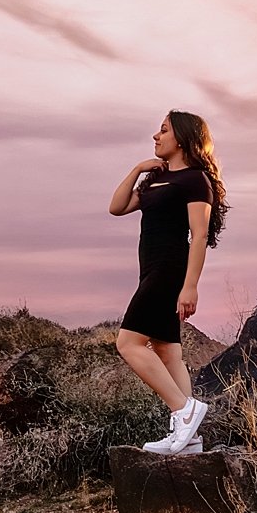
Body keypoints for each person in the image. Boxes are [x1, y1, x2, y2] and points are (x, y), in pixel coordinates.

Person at [107, 110, 231, 454]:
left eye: (163, 130)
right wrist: (137, 170)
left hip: (169, 269)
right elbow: (117, 207)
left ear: (182, 138)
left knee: (129, 343)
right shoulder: (155, 180)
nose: (156, 136)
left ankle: (184, 410)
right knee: (166, 350)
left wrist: (190, 285)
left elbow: (201, 233)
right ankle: (188, 438)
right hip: (150, 269)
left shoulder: (195, 180)